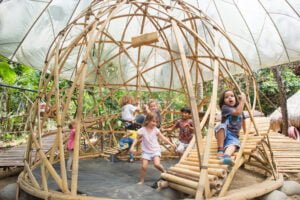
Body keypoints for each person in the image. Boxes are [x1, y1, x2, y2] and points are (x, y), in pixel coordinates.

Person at [130, 112, 176, 184]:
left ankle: (164, 172)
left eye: (156, 122)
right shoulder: (142, 130)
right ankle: (141, 180)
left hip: (155, 150)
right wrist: (132, 147)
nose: (155, 123)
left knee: (157, 164)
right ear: (147, 120)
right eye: (153, 121)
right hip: (146, 151)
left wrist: (171, 144)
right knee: (144, 167)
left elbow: (163, 138)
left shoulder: (156, 130)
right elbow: (136, 139)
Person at [215, 90, 246, 165]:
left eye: (232, 96)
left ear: (235, 98)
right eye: (226, 97)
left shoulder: (240, 109)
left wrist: (245, 131)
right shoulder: (225, 108)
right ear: (223, 101)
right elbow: (237, 113)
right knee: (221, 126)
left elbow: (243, 120)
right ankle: (220, 150)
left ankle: (226, 157)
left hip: (233, 135)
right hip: (223, 133)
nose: (230, 98)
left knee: (234, 144)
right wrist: (243, 101)